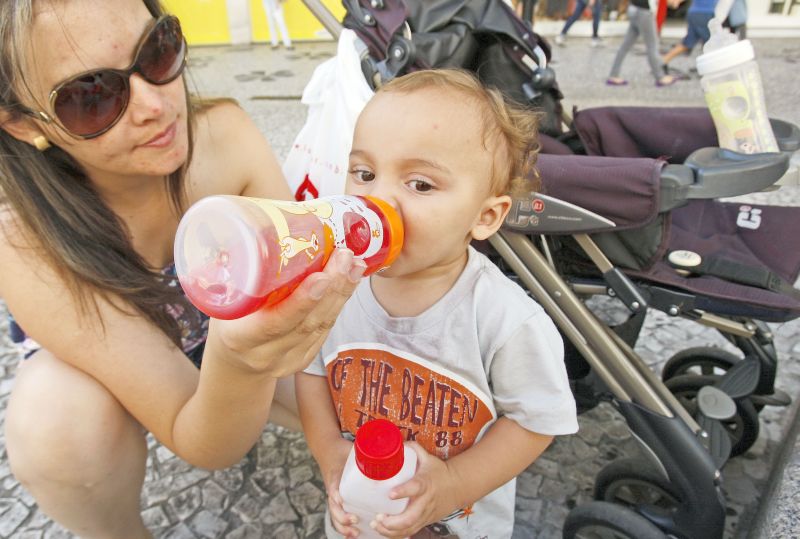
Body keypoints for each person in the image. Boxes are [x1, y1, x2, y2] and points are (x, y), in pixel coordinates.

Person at [0, 1, 363, 537]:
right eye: (90, 96)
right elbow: (200, 439)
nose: (155, 104)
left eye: (158, 51)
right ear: (24, 123)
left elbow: (304, 303)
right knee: (55, 423)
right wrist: (241, 361)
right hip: (113, 365)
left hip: (233, 334)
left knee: (364, 381)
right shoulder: (22, 238)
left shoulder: (224, 137)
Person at [296, 68, 579, 539]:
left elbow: (535, 421)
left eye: (420, 184)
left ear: (485, 216)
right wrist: (328, 451)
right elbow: (310, 371)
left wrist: (454, 483)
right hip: (358, 519)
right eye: (364, 174)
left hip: (456, 524)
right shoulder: (336, 286)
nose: (376, 201)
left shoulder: (504, 319)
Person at [606, 0, 678, 87]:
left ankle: (613, 75)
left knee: (625, 45)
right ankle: (660, 77)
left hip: (633, 8)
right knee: (652, 45)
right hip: (644, 11)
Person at [661, 0, 718, 71]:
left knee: (687, 43)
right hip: (706, 13)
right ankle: (711, 67)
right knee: (711, 43)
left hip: (694, 12)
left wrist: (677, 1)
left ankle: (663, 60)